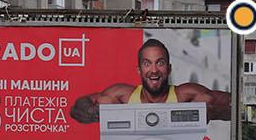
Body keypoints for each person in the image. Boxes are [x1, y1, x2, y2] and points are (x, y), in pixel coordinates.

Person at [69, 38, 232, 123]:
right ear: (139, 70)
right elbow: (79, 107)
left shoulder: (185, 94)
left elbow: (233, 105)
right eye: (147, 64)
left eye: (159, 63)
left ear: (168, 69)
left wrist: (210, 112)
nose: (154, 70)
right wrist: (93, 113)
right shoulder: (123, 96)